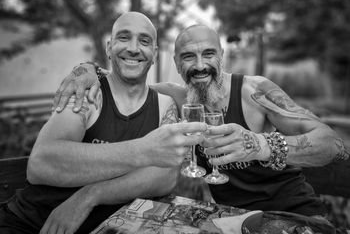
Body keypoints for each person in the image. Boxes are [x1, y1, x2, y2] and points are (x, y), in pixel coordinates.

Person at [54, 24, 349, 218]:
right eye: (187, 57)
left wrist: (260, 144)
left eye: (208, 54)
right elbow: (120, 77)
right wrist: (86, 68)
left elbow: (334, 144)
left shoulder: (254, 91)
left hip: (294, 215)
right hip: (230, 221)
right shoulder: (179, 98)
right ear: (176, 63)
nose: (199, 65)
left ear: (221, 55)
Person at [0, 12, 207, 234]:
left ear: (154, 54)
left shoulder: (164, 104)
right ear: (109, 48)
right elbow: (41, 163)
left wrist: (90, 195)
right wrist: (144, 150)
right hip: (32, 224)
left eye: (144, 41)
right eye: (124, 37)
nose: (134, 48)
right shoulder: (87, 93)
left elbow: (164, 177)